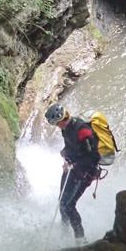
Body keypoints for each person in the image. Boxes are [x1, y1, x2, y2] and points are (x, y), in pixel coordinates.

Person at [44, 103, 100, 240]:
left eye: (57, 124)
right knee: (61, 201)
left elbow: (93, 157)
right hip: (73, 169)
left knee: (68, 205)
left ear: (62, 119)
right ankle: (65, 231)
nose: (58, 127)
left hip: (86, 172)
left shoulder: (83, 131)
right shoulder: (66, 129)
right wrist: (64, 154)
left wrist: (74, 165)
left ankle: (80, 239)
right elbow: (70, 146)